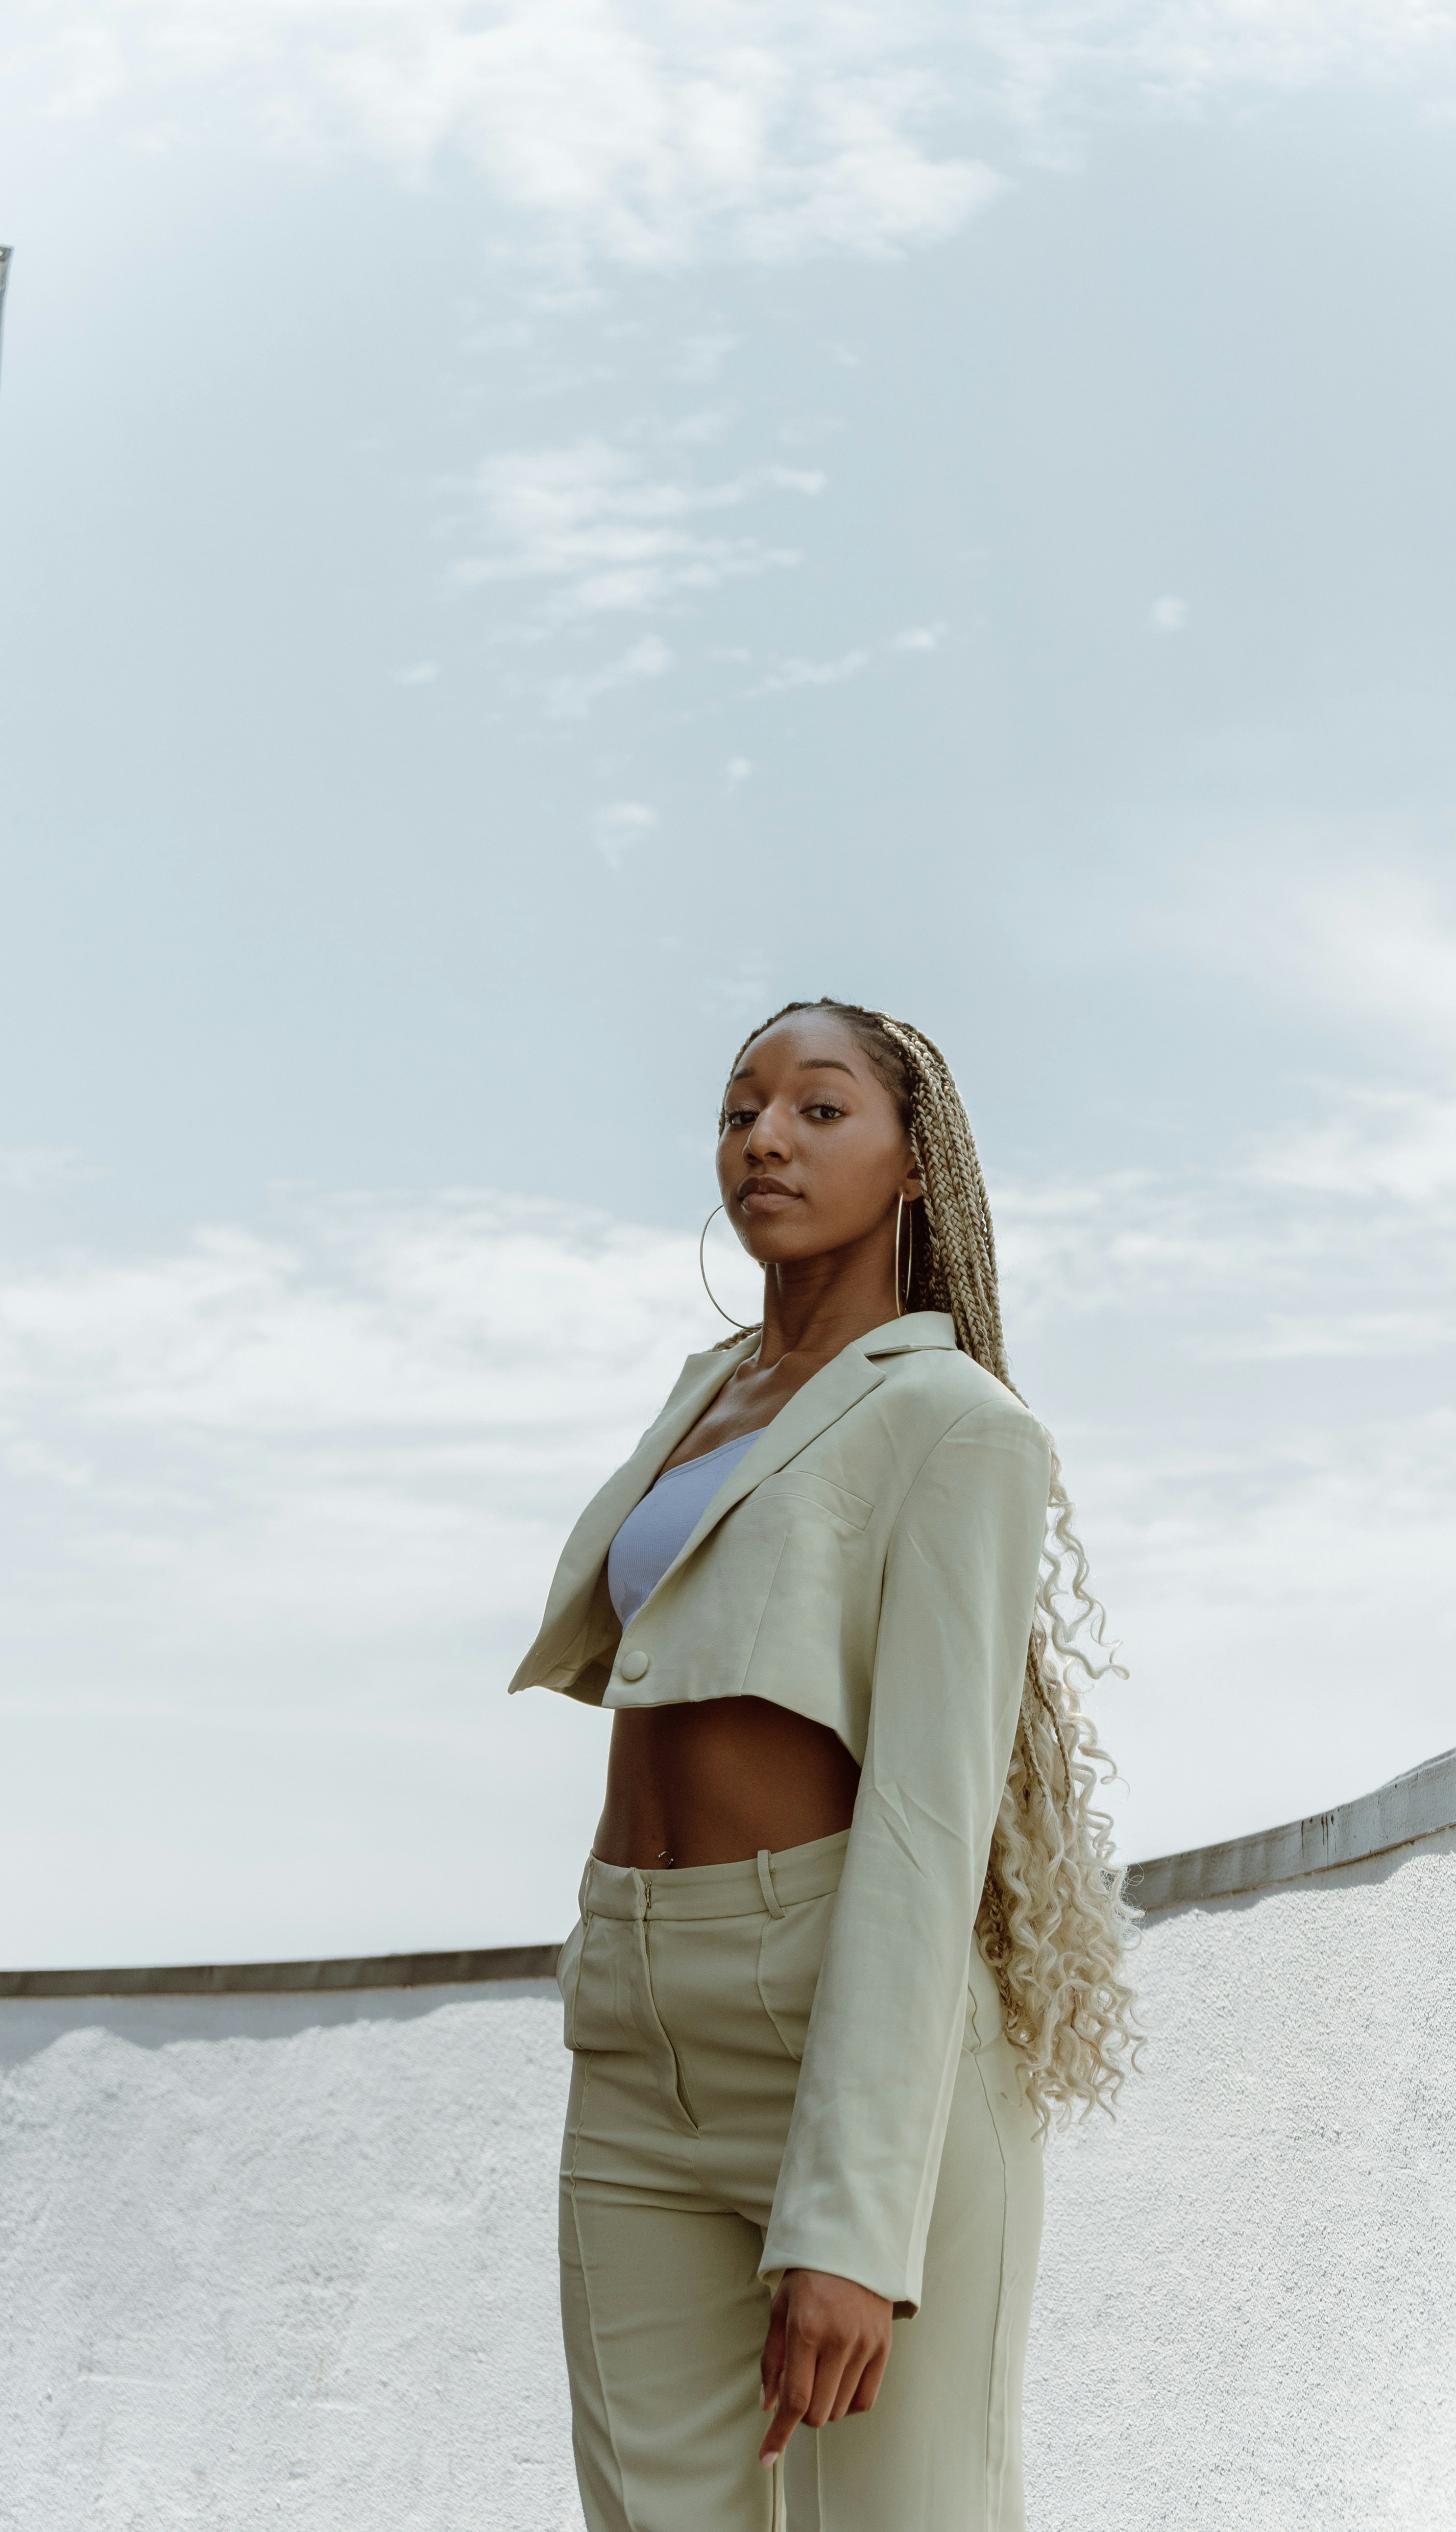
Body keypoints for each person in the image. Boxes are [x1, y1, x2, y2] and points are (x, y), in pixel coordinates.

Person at [507, 999, 1139, 2532]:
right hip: (639, 2032)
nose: (765, 1138)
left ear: (917, 1164)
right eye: (740, 1111)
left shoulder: (953, 1424)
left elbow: (926, 1827)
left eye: (817, 1107)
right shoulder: (704, 1398)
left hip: (844, 2034)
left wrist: (858, 2228)